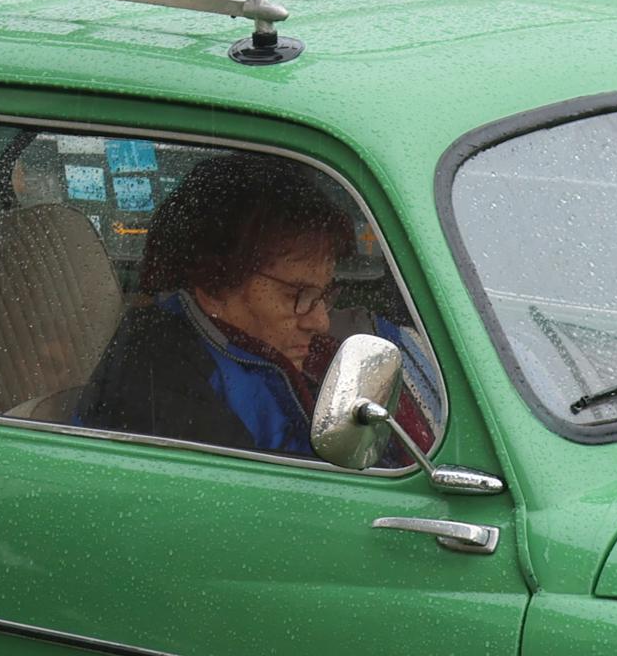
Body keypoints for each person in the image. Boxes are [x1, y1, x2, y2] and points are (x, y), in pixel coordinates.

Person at [80, 150, 442, 459]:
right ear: (214, 283)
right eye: (296, 295)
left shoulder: (271, 354)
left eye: (323, 295)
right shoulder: (161, 389)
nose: (319, 321)